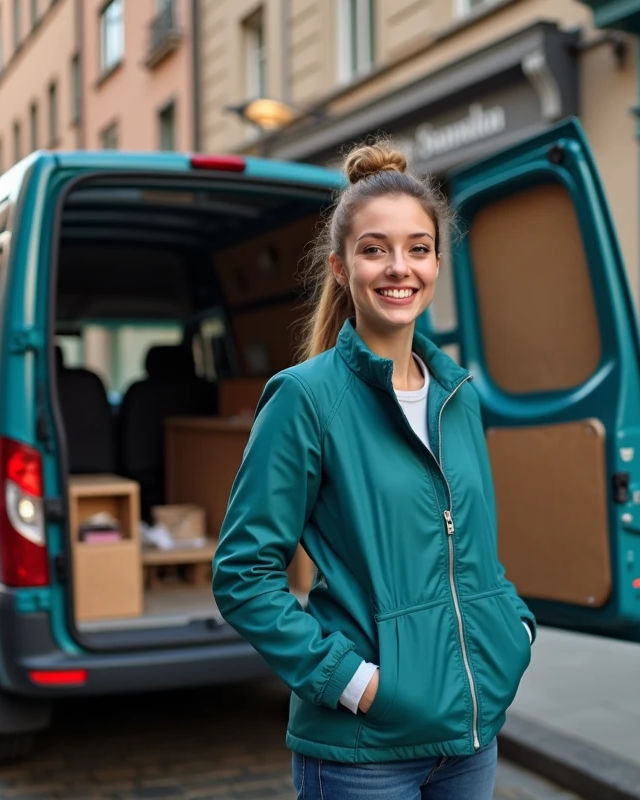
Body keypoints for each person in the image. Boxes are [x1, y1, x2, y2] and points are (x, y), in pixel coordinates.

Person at [212, 142, 536, 800]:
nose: (399, 268)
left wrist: (514, 632)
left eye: (418, 248)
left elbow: (472, 551)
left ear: (438, 263)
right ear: (340, 266)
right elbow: (242, 575)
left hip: (470, 740)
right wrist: (354, 683)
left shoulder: (458, 395)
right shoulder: (305, 400)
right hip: (364, 753)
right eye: (374, 249)